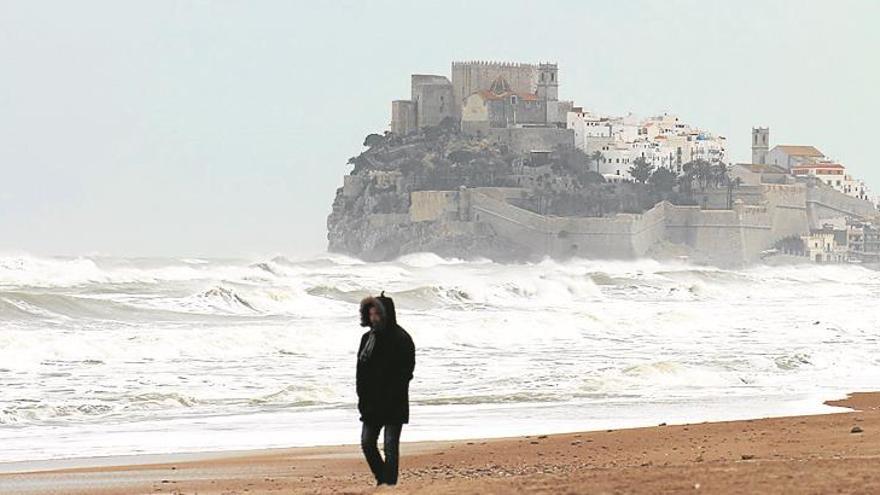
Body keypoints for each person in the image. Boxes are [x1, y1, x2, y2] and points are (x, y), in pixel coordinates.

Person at [356, 291, 416, 486]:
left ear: (386, 314)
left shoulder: (402, 338)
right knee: (367, 443)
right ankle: (383, 480)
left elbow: (406, 373)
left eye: (377, 314)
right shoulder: (367, 339)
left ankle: (389, 486)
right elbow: (361, 373)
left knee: (390, 446)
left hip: (394, 402)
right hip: (371, 403)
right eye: (371, 314)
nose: (374, 318)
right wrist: (362, 398)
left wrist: (390, 396)